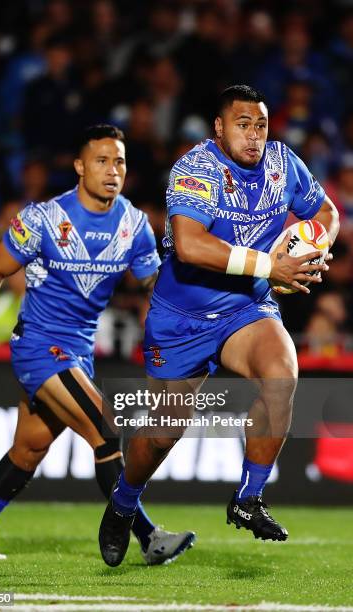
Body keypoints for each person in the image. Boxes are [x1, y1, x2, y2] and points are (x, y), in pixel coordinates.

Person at [99, 85, 340, 567]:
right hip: (180, 318)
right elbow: (189, 246)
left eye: (260, 126)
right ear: (219, 127)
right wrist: (270, 267)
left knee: (282, 375)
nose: (253, 136)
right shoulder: (197, 169)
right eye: (242, 125)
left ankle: (248, 498)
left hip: (245, 310)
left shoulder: (283, 164)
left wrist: (316, 245)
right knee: (165, 432)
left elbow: (327, 213)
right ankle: (123, 504)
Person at [0, 124, 195, 564]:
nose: (112, 170)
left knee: (29, 449)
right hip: (39, 346)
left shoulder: (134, 225)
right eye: (101, 161)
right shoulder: (42, 219)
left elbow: (158, 288)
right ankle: (147, 537)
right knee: (105, 428)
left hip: (78, 352)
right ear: (80, 166)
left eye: (119, 161)